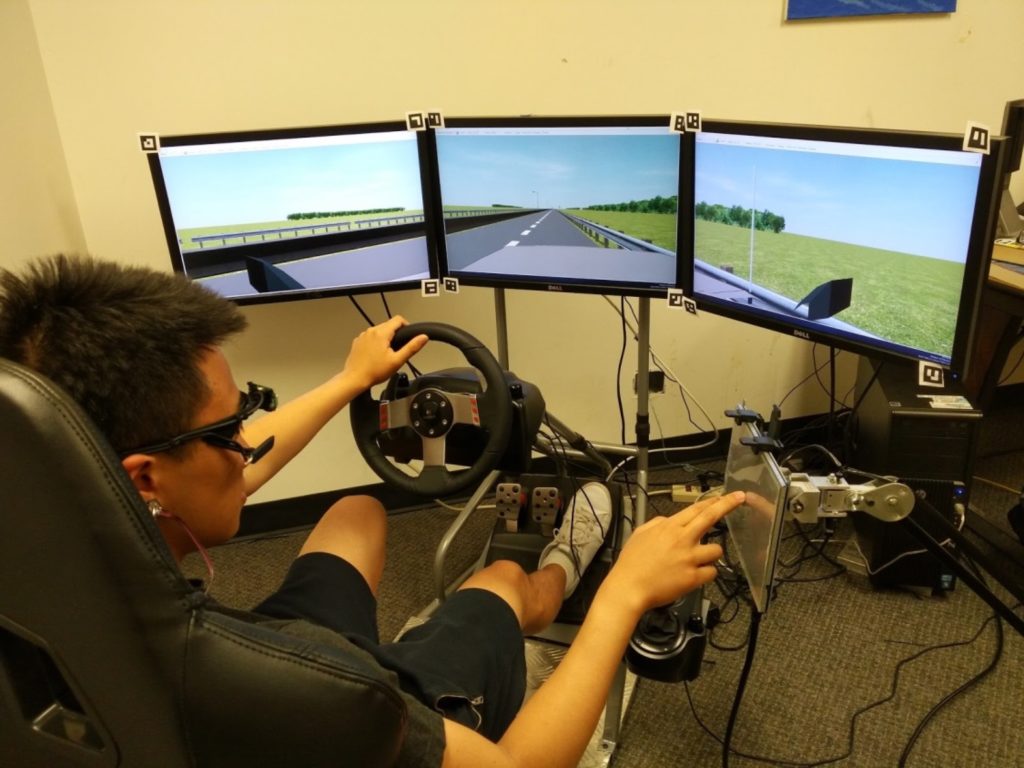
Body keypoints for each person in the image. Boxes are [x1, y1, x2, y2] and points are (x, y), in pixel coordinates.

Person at [0, 254, 744, 768]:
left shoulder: (42, 518)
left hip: (224, 677)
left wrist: (348, 380)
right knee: (495, 590)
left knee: (356, 513)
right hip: (316, 705)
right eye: (231, 431)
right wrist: (625, 596)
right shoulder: (315, 691)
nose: (249, 444)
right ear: (144, 478)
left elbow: (219, 459)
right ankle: (562, 572)